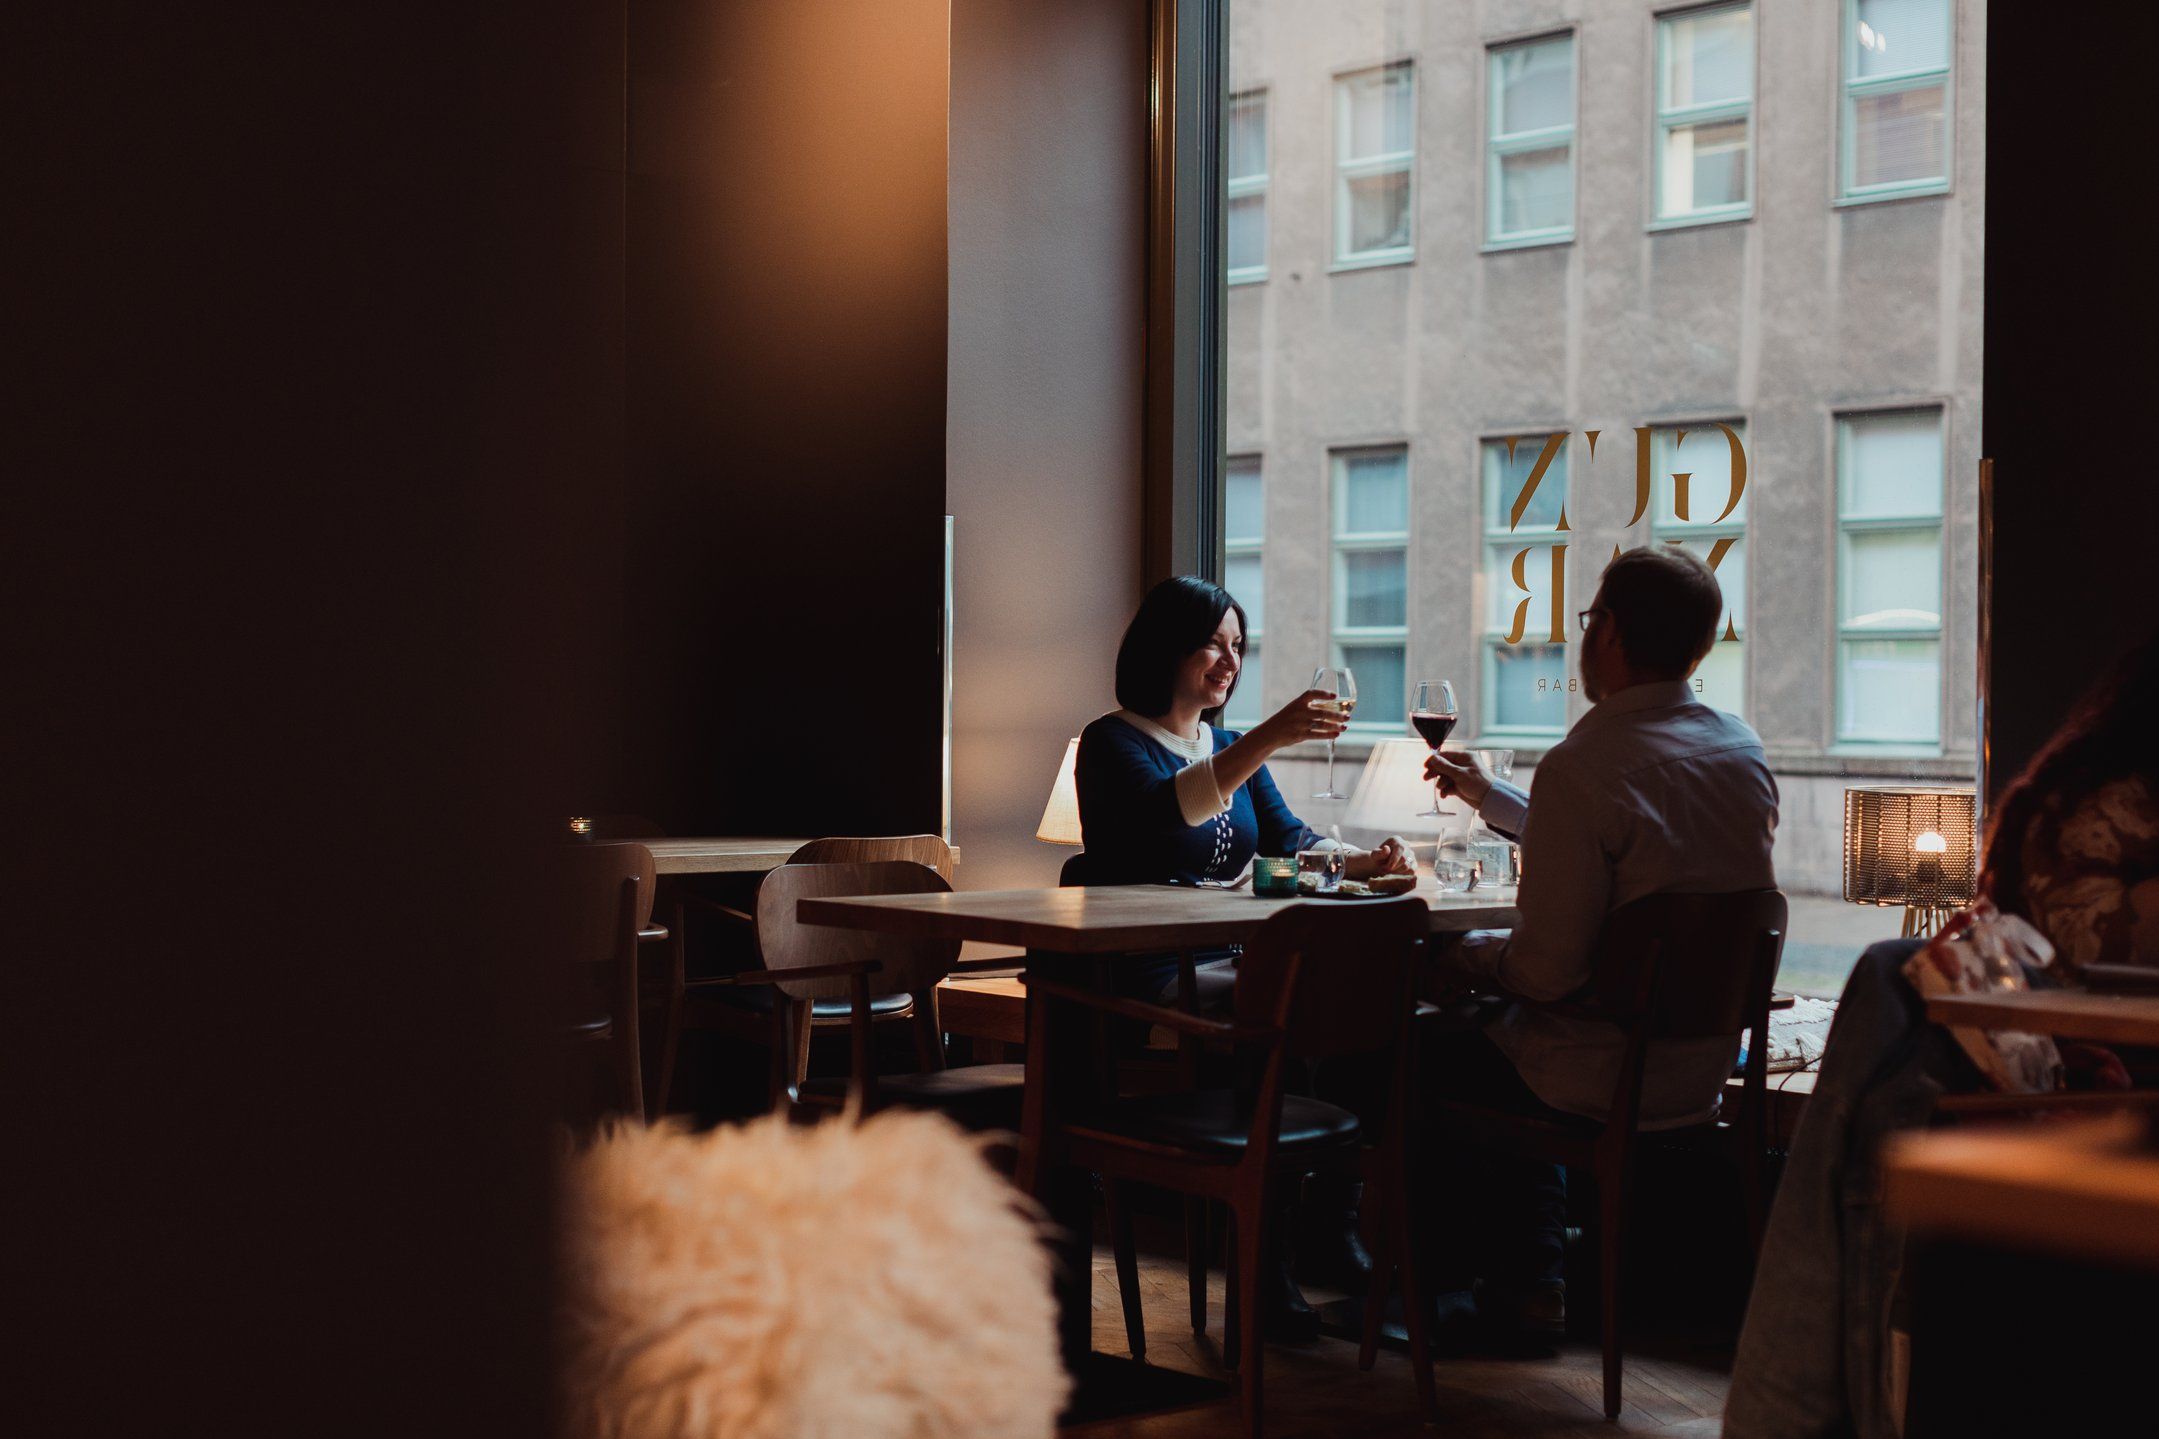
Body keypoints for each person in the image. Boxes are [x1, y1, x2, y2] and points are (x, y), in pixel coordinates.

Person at [1421, 545, 1779, 1335]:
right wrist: (1491, 797)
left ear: (1608, 630)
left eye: (1589, 619)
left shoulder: (1582, 763)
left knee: (1416, 1047)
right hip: (1699, 1067)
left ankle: (1511, 1282)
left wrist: (1459, 955)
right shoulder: (1739, 749)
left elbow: (1546, 972)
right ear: (1700, 644)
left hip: (1601, 1071)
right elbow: (1643, 853)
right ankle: (1533, 1274)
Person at [1076, 574, 1413, 1337]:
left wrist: (1366, 860)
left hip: (1230, 963)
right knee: (1283, 1015)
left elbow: (1291, 841)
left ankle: (1330, 1227)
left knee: (1365, 1012)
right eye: (1211, 644)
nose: (1229, 661)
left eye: (1237, 645)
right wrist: (1270, 737)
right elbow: (1164, 820)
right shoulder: (1112, 742)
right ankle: (1267, 1264)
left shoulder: (1227, 747)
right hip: (1151, 969)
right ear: (1165, 648)